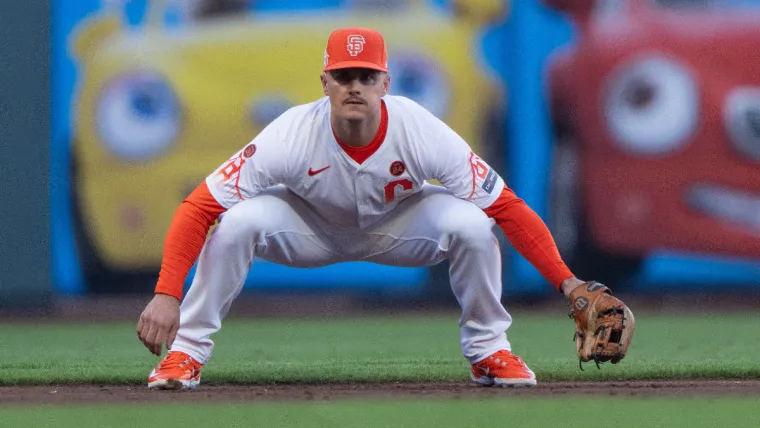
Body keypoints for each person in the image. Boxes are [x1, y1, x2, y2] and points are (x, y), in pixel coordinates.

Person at [137, 26, 588, 390]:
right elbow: (198, 207)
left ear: (386, 83)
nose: (355, 87)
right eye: (344, 75)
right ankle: (187, 353)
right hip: (308, 227)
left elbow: (508, 207)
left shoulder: (419, 129)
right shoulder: (292, 132)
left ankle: (489, 350)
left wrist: (569, 286)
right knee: (236, 222)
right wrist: (166, 294)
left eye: (367, 77)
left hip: (399, 226)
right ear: (325, 81)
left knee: (473, 224)